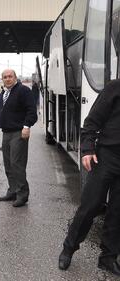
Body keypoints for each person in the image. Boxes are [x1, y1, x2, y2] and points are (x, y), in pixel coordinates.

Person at [58, 79, 120, 276]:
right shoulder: (114, 87)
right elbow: (91, 122)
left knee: (118, 212)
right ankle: (68, 248)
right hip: (107, 156)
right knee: (91, 206)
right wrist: (87, 149)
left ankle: (108, 258)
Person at [0, 69, 37, 207]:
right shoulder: (3, 93)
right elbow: (0, 112)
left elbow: (31, 111)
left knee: (17, 164)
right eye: (5, 77)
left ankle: (22, 194)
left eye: (10, 76)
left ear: (15, 77)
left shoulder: (23, 91)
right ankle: (12, 191)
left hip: (19, 132)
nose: (7, 79)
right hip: (6, 133)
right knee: (9, 164)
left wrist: (27, 126)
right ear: (2, 79)